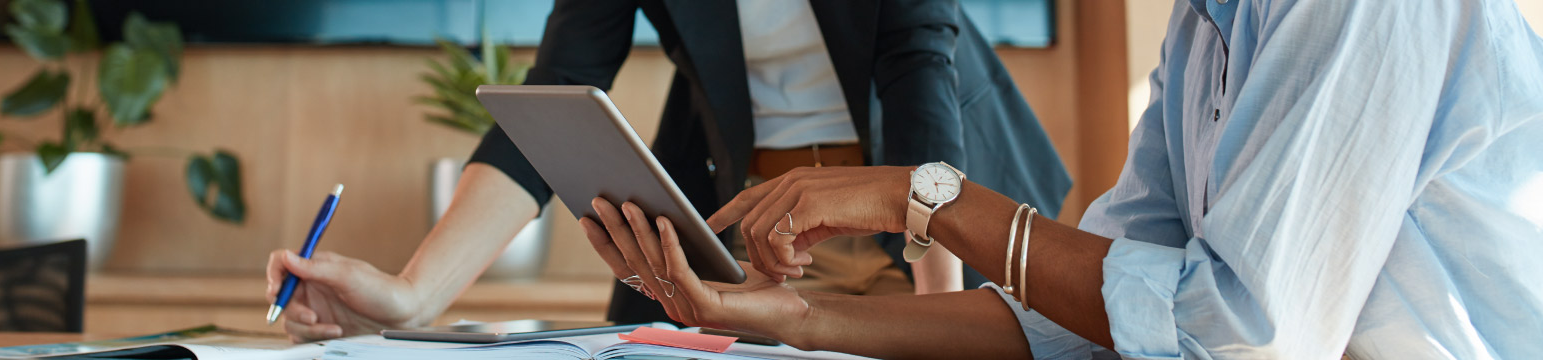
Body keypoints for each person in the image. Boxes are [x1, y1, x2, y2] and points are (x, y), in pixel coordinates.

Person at [581, 0, 1543, 358]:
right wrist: (794, 325)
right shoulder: (1206, 22)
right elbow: (1099, 313)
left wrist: (922, 197)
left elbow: (1238, 337)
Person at [264, 0, 1072, 342]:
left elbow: (917, 74)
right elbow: (553, 95)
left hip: (926, 206)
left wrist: (951, 323)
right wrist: (411, 296)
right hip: (759, 223)